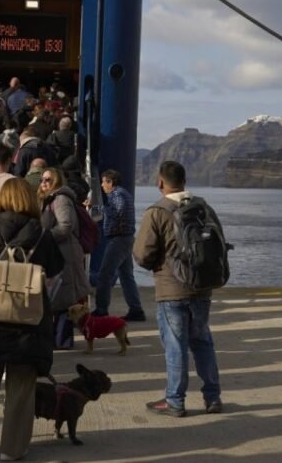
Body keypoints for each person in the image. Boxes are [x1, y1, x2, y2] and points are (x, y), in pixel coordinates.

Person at [0, 178, 64, 461]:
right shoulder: (43, 235)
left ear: (3, 200)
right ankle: (13, 448)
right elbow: (56, 269)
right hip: (29, 320)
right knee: (21, 386)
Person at [133, 161, 223, 417]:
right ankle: (213, 397)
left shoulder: (157, 211)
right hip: (202, 288)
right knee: (203, 343)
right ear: (185, 180)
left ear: (160, 182)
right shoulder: (204, 207)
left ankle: (175, 400)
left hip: (171, 290)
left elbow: (142, 254)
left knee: (176, 346)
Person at [38, 167, 90, 349]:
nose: (43, 183)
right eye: (42, 180)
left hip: (65, 253)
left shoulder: (60, 199)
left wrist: (45, 237)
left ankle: (63, 341)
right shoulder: (51, 199)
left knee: (64, 297)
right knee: (59, 296)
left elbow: (65, 226)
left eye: (48, 180)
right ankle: (59, 339)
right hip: (59, 252)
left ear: (57, 181)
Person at [90, 169, 145, 321]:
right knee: (126, 276)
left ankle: (101, 309)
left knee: (104, 275)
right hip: (126, 239)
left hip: (118, 240)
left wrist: (96, 208)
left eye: (103, 182)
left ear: (110, 182)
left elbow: (116, 211)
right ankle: (136, 309)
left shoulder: (117, 195)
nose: (102, 185)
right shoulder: (123, 193)